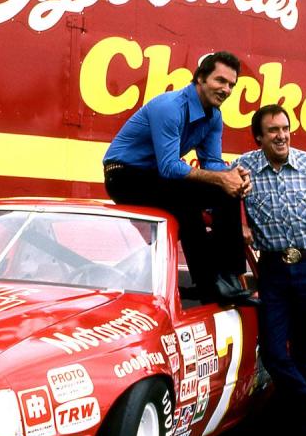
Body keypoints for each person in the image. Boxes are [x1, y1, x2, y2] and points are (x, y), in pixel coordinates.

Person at [233, 104, 306, 436]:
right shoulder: (243, 168)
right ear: (259, 137)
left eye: (285, 128)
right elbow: (225, 205)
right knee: (276, 355)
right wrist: (240, 225)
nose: (281, 136)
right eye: (273, 131)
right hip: (274, 271)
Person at [102, 51, 252, 304]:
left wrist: (232, 176)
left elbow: (212, 162)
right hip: (123, 174)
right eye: (220, 81)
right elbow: (170, 167)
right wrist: (221, 178)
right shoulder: (170, 107)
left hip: (156, 177)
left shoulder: (214, 117)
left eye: (231, 85)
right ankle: (208, 285)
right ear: (201, 79)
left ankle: (230, 276)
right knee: (187, 204)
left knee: (225, 192)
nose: (226, 89)